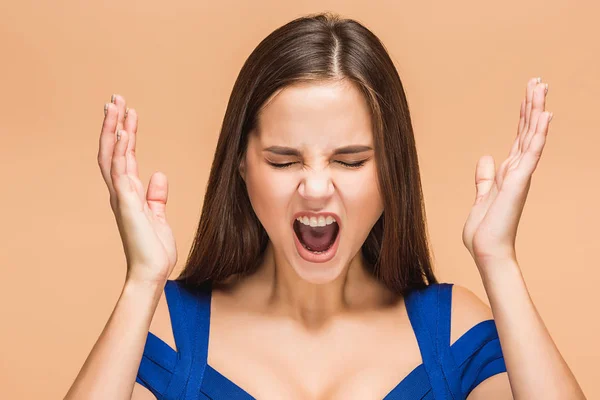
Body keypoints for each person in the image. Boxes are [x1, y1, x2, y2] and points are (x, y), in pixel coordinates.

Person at [65, 12, 586, 400]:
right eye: (284, 160)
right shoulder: (165, 330)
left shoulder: (451, 331)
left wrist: (499, 261)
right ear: (241, 166)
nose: (315, 189)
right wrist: (141, 283)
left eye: (351, 161)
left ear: (391, 172)